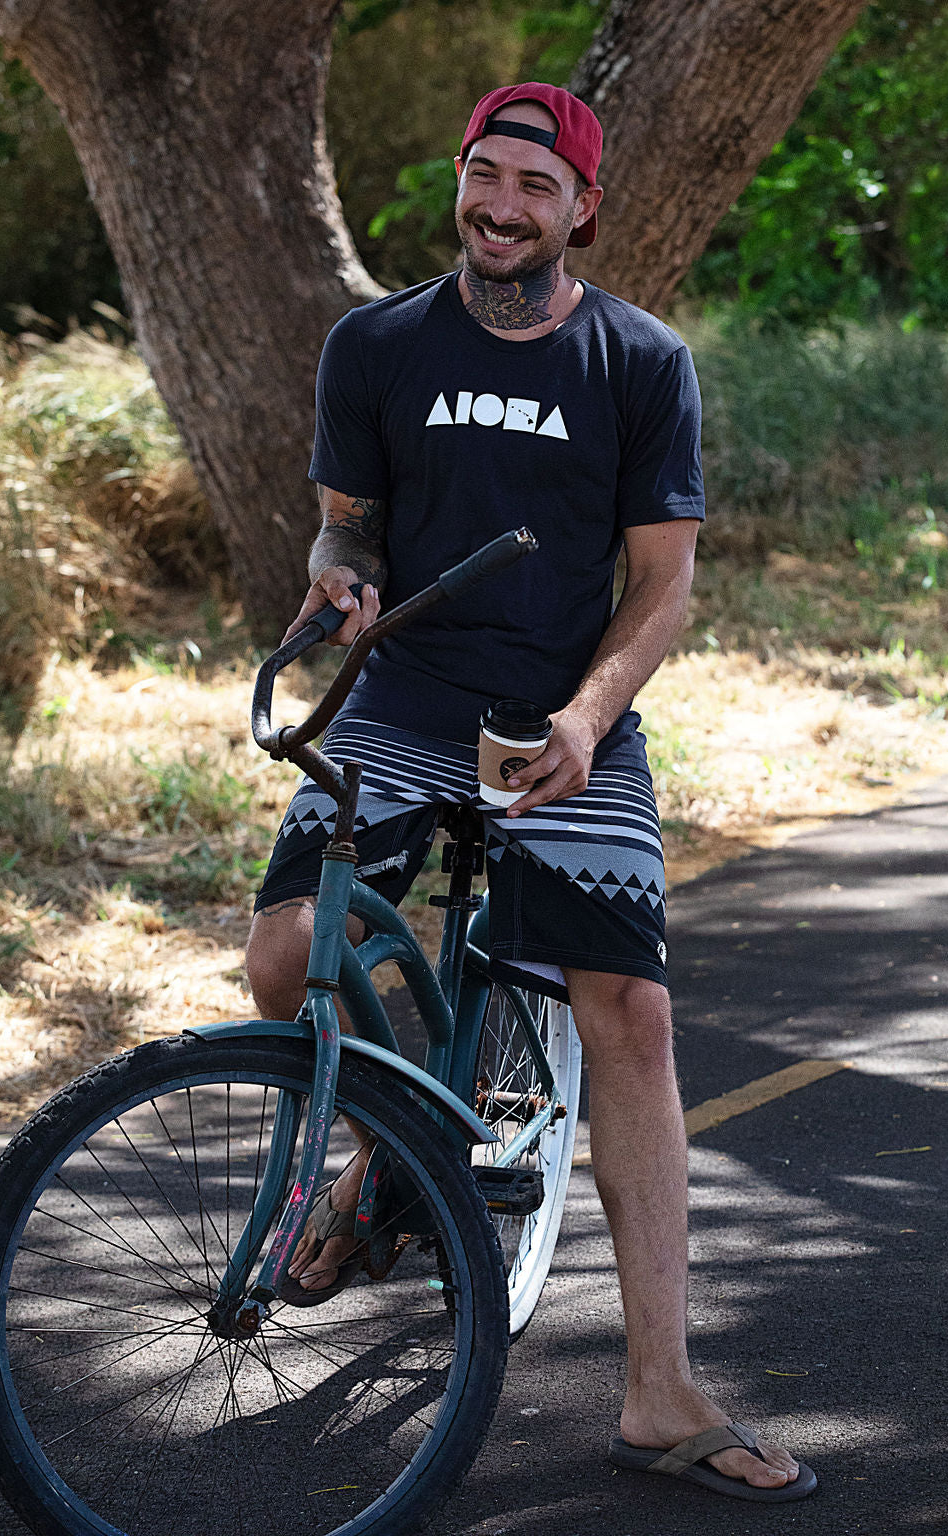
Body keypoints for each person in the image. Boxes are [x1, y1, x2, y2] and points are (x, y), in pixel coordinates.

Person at [245, 82, 816, 1504]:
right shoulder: (373, 343)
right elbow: (348, 522)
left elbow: (664, 584)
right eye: (485, 176)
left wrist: (584, 716)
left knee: (629, 1012)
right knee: (283, 955)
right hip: (402, 705)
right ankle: (388, 1159)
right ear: (461, 177)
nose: (503, 206)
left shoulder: (640, 361)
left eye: (535, 187)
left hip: (568, 723)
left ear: (583, 207)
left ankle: (660, 1392)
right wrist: (339, 567)